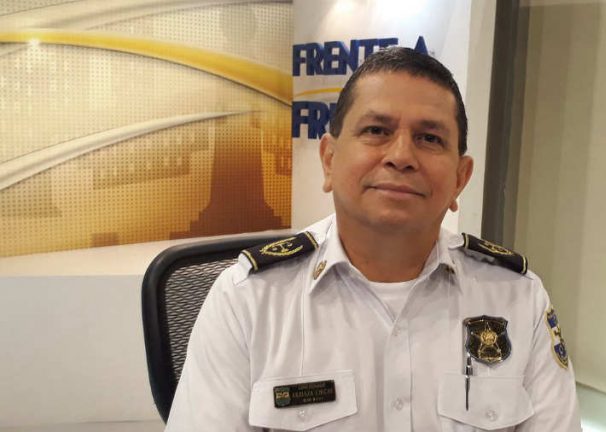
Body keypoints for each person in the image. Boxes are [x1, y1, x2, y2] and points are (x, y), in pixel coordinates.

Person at [165, 47, 581, 431]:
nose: (401, 156)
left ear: (460, 178)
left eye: (429, 138)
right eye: (377, 130)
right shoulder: (248, 299)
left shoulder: (518, 299)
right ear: (329, 159)